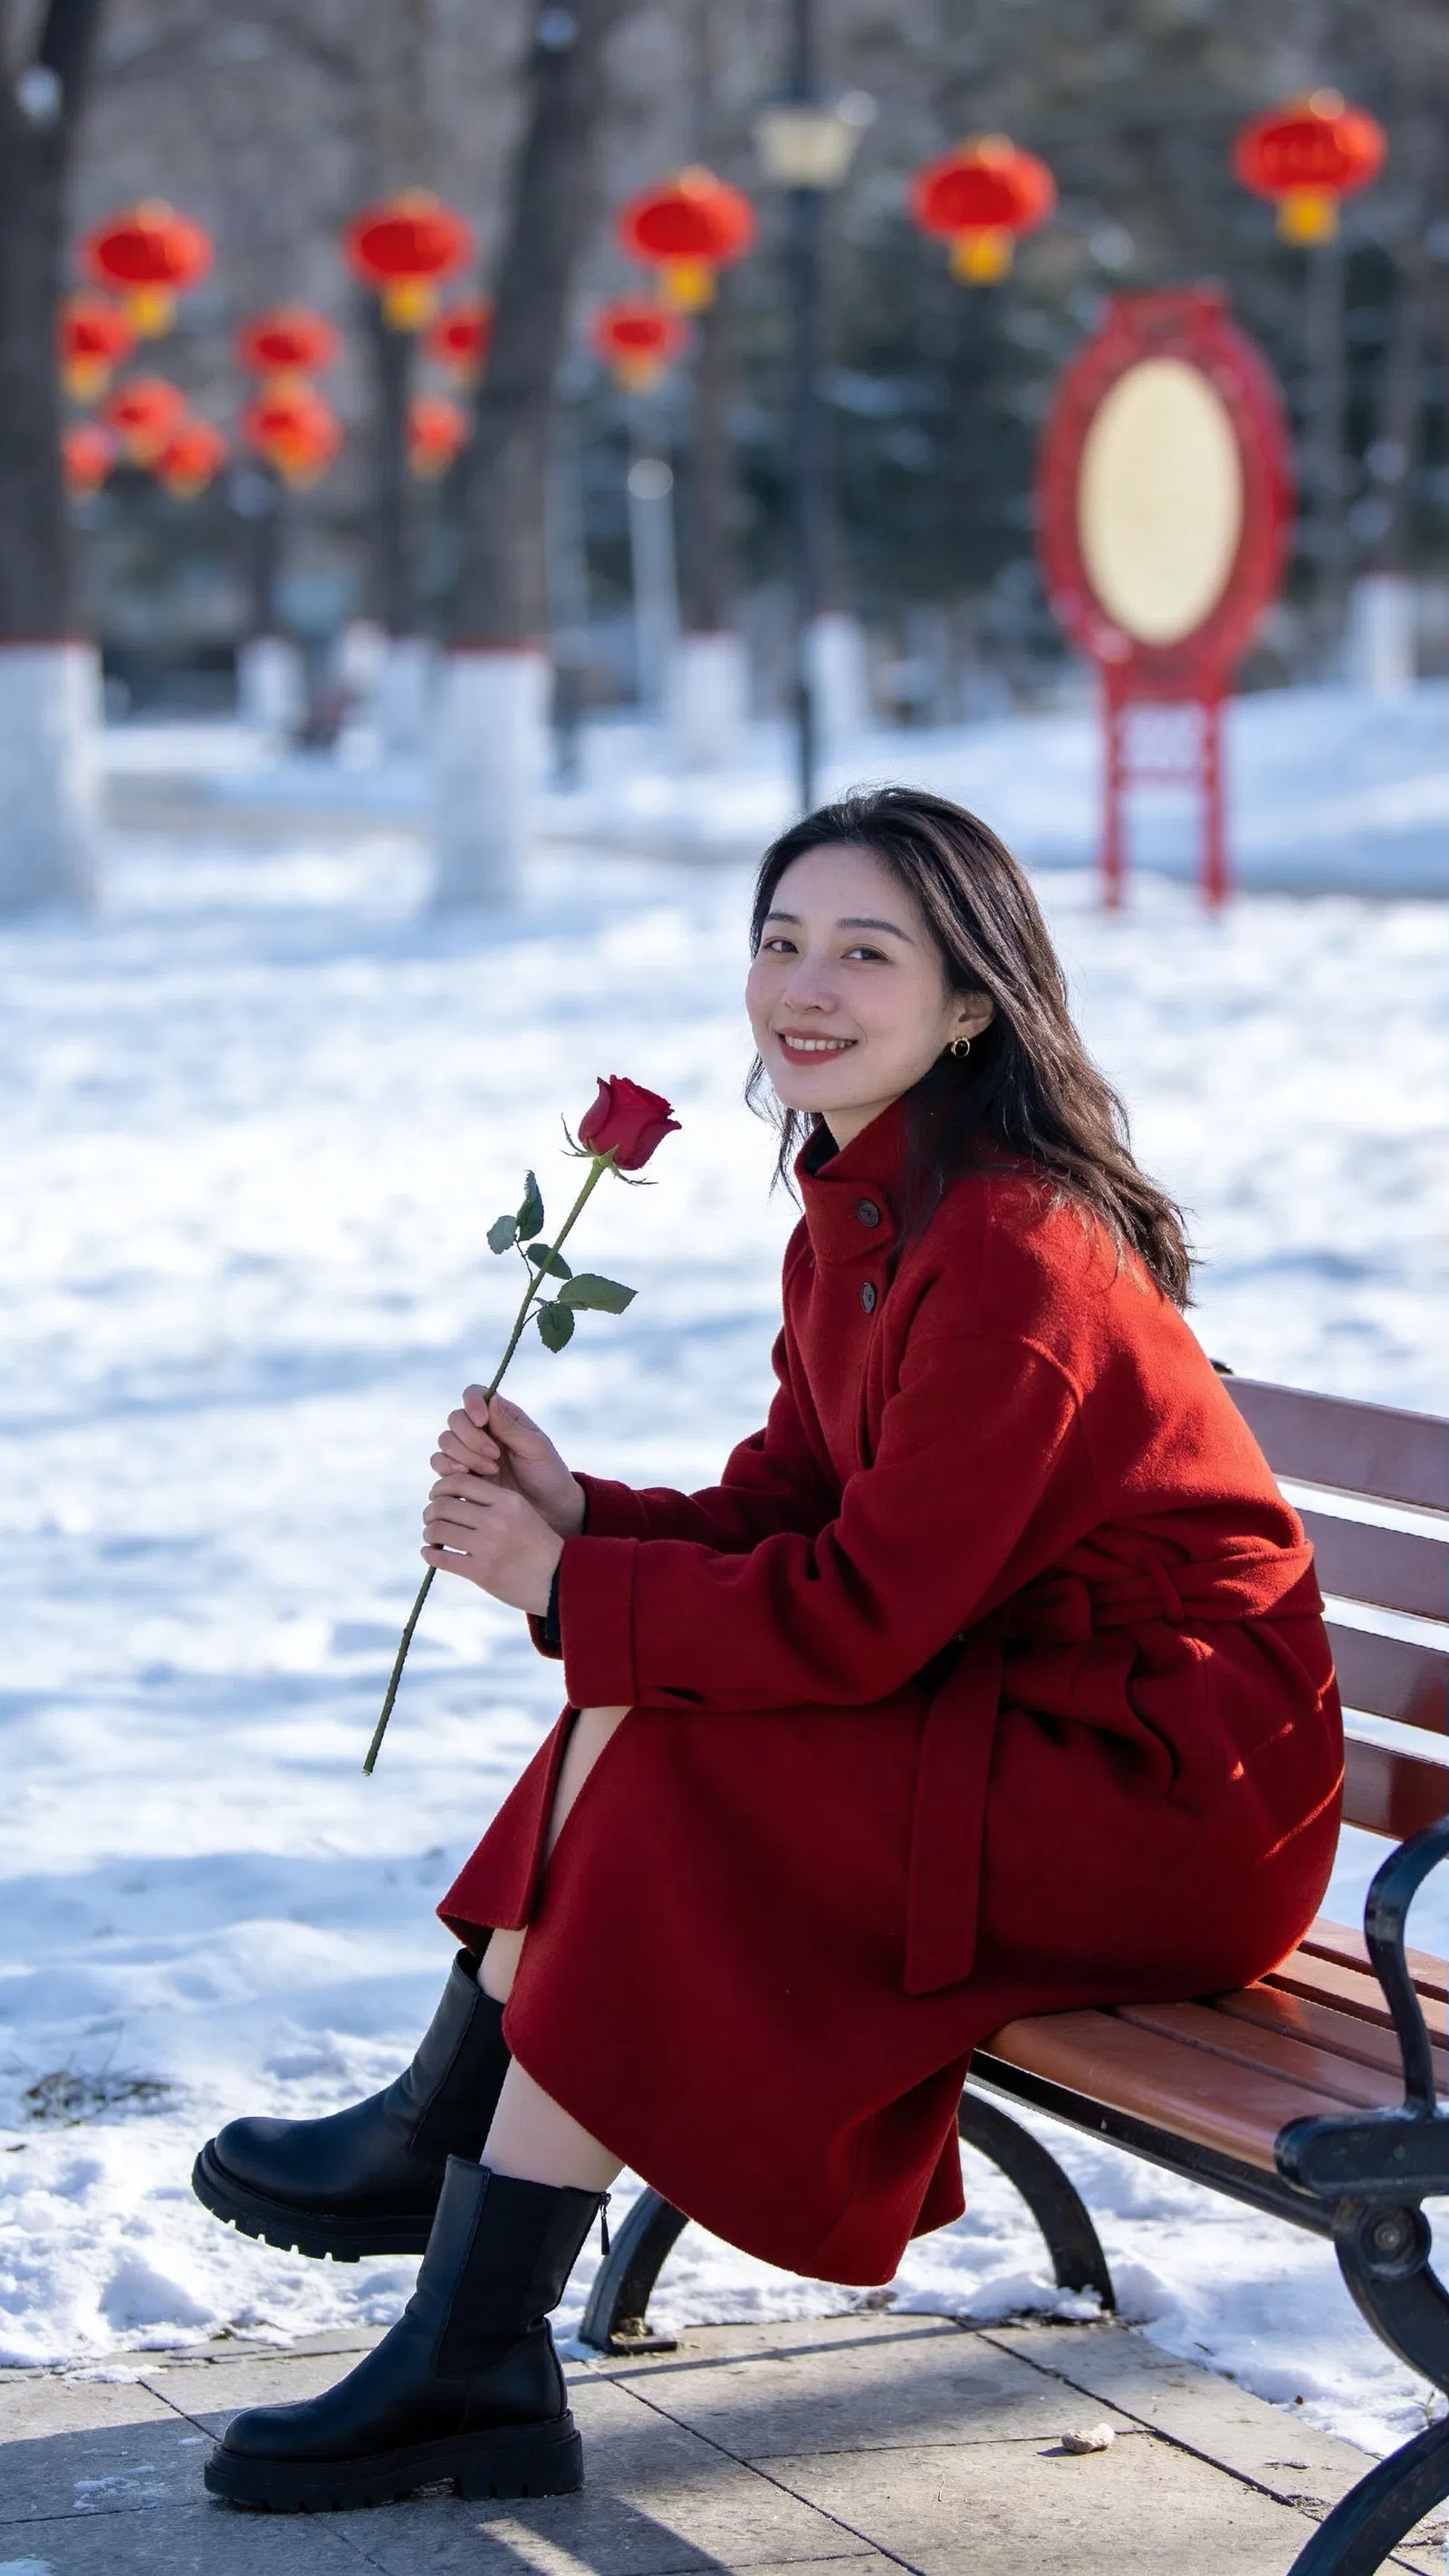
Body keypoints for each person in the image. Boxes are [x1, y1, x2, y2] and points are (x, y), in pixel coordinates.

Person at [196, 787, 1342, 2514]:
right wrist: (586, 1522)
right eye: (779, 941)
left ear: (973, 1002)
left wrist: (565, 1593)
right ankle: (464, 2247)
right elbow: (793, 1505)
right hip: (1032, 1720)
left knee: (667, 1740)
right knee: (650, 1711)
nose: (803, 986)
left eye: (864, 952)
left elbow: (862, 1612)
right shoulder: (876, 1204)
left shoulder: (1014, 1253)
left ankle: (462, 2254)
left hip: (1165, 1795)